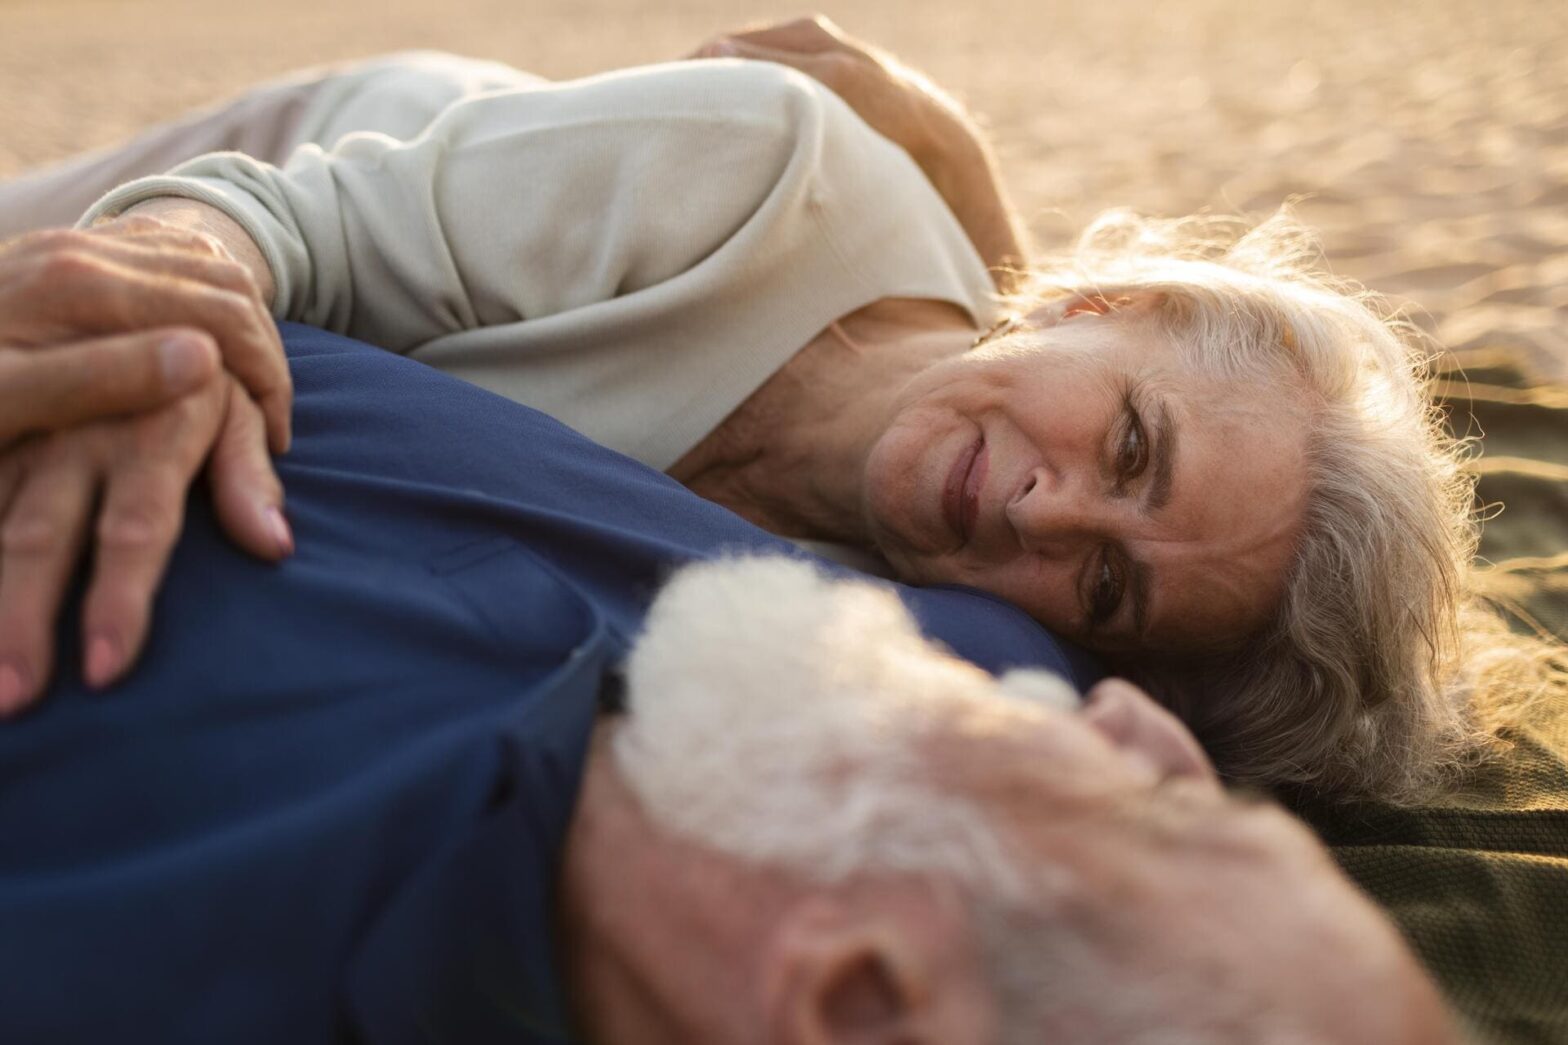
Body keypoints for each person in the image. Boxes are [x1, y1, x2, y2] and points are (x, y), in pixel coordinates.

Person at [0, 19, 1557, 806]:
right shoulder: (761, 170)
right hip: (397, 164)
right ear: (1095, 302)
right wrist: (174, 285)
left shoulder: (938, 620)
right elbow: (288, 226)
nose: (1044, 510)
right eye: (1130, 443)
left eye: (1108, 577)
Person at [0, 314, 1456, 1044]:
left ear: (854, 1001)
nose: (1132, 711)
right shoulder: (944, 654)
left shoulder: (145, 941)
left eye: (1167, 817)